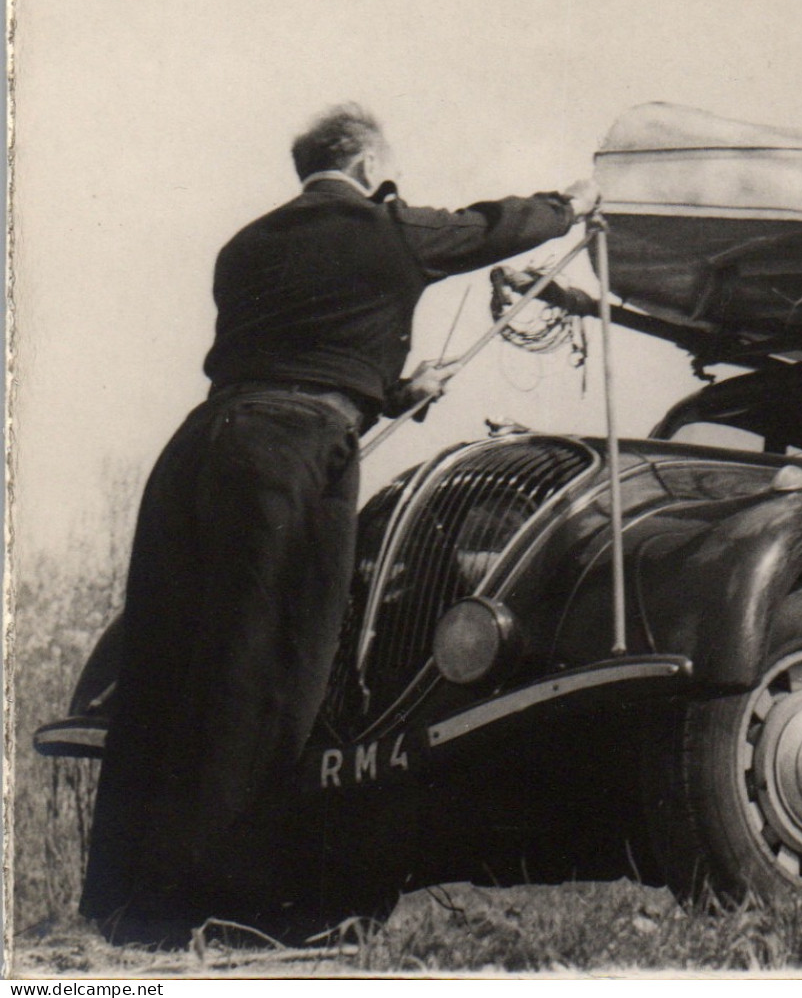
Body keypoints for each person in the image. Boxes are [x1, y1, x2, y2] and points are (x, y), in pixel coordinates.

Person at [80, 104, 600, 946]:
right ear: (365, 167)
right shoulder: (384, 229)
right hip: (291, 459)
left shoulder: (243, 246)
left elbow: (293, 345)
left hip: (198, 451)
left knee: (169, 666)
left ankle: (123, 904)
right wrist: (568, 205)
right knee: (273, 668)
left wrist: (389, 391)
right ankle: (232, 907)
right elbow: (486, 228)